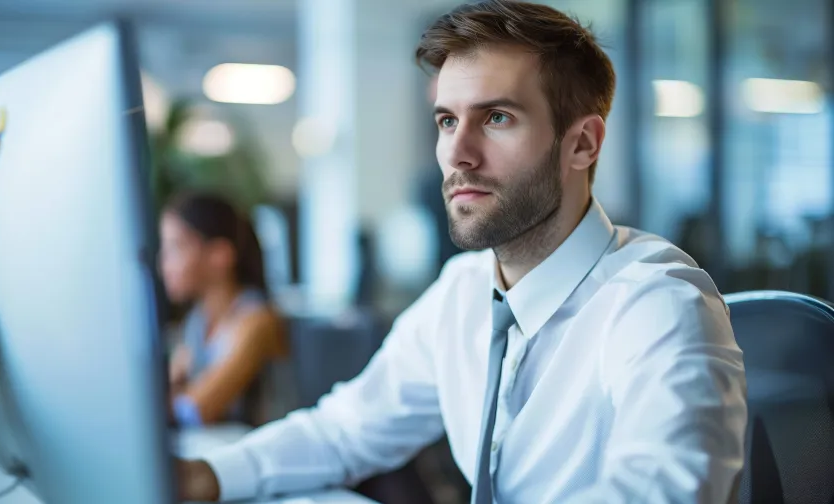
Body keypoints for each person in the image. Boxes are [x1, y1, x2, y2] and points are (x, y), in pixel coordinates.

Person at [176, 1, 748, 502]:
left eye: (497, 117)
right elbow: (346, 431)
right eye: (447, 120)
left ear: (582, 143)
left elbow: (666, 488)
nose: (458, 154)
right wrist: (199, 477)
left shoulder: (658, 303)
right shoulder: (464, 292)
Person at [160, 192, 287, 427]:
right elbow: (171, 384)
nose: (164, 264)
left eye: (176, 248)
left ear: (220, 255)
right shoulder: (196, 322)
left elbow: (196, 409)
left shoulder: (257, 320)